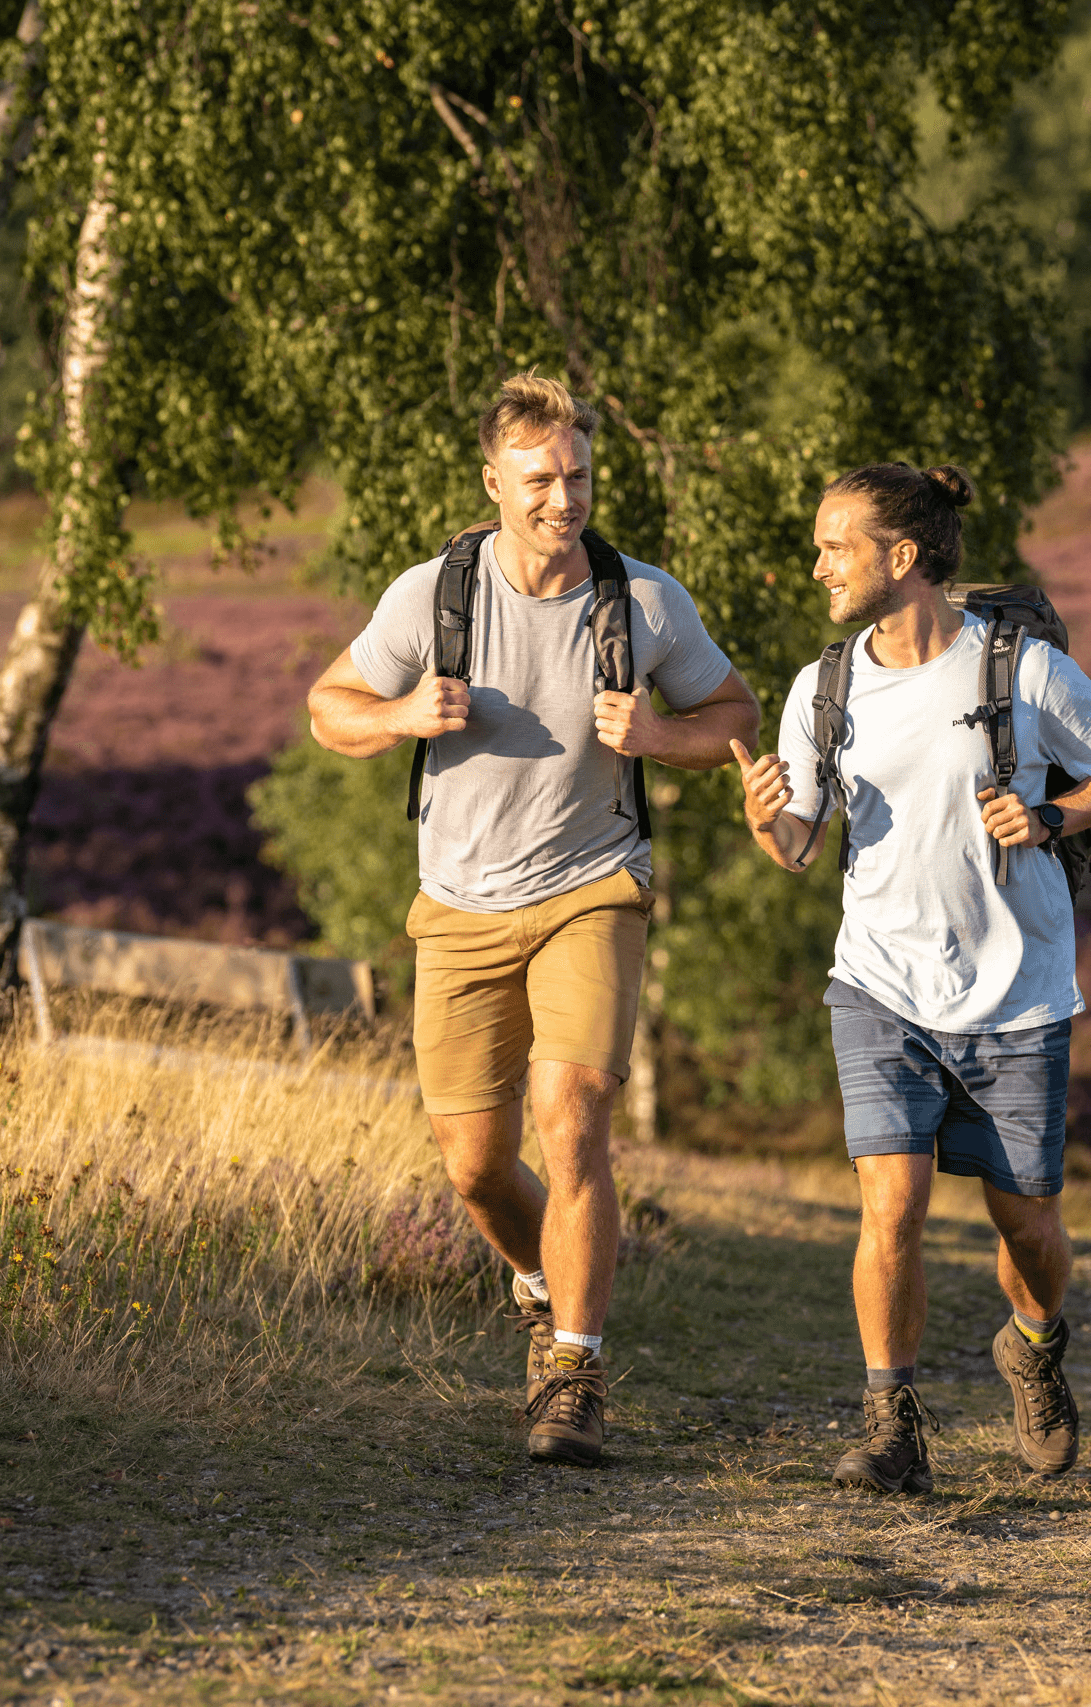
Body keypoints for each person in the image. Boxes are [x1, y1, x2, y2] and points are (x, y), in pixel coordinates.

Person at [306, 375, 759, 1466]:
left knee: (576, 1110)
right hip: (458, 908)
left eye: (580, 476)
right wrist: (402, 714)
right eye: (542, 479)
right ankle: (541, 1282)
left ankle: (574, 1372)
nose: (565, 498)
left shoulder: (644, 604)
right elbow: (328, 708)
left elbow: (735, 715)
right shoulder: (432, 597)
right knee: (470, 1166)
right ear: (493, 483)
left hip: (592, 886)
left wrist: (658, 736)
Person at [731, 462, 1091, 1493]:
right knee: (893, 1208)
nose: (819, 563)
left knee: (1030, 1228)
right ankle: (892, 1426)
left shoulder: (1020, 671)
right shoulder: (822, 687)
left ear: (902, 557)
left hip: (1019, 995)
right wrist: (762, 813)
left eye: (838, 546)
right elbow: (795, 847)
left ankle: (1034, 1342)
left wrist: (1054, 816)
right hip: (879, 986)